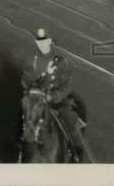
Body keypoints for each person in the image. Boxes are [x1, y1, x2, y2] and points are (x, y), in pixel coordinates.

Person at [20, 28, 88, 162]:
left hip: (57, 99)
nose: (42, 44)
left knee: (70, 121)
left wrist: (53, 96)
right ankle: (19, 152)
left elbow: (68, 85)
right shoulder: (31, 59)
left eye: (44, 41)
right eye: (39, 42)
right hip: (36, 98)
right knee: (22, 119)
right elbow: (24, 79)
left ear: (50, 41)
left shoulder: (61, 61)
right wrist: (30, 90)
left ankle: (77, 153)